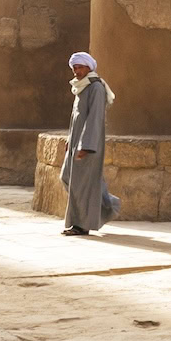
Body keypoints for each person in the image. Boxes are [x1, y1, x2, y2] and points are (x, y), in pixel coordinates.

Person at [61, 52, 120, 236]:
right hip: (76, 144)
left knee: (82, 185)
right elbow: (77, 118)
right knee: (67, 177)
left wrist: (86, 146)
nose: (76, 71)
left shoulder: (96, 88)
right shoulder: (81, 87)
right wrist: (70, 140)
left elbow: (94, 119)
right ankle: (109, 205)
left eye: (79, 67)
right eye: (74, 68)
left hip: (88, 146)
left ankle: (81, 225)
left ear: (89, 67)